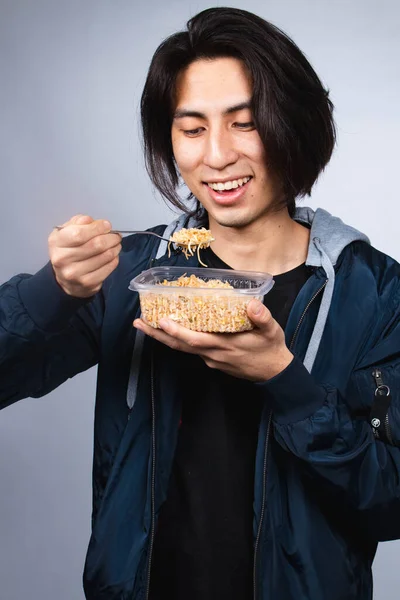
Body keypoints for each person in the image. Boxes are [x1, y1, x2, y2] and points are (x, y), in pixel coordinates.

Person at [1, 6, 400, 600]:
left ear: (294, 125)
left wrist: (286, 382)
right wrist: (52, 293)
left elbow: (389, 504)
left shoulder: (373, 291)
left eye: (244, 124)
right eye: (192, 129)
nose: (216, 157)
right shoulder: (132, 271)